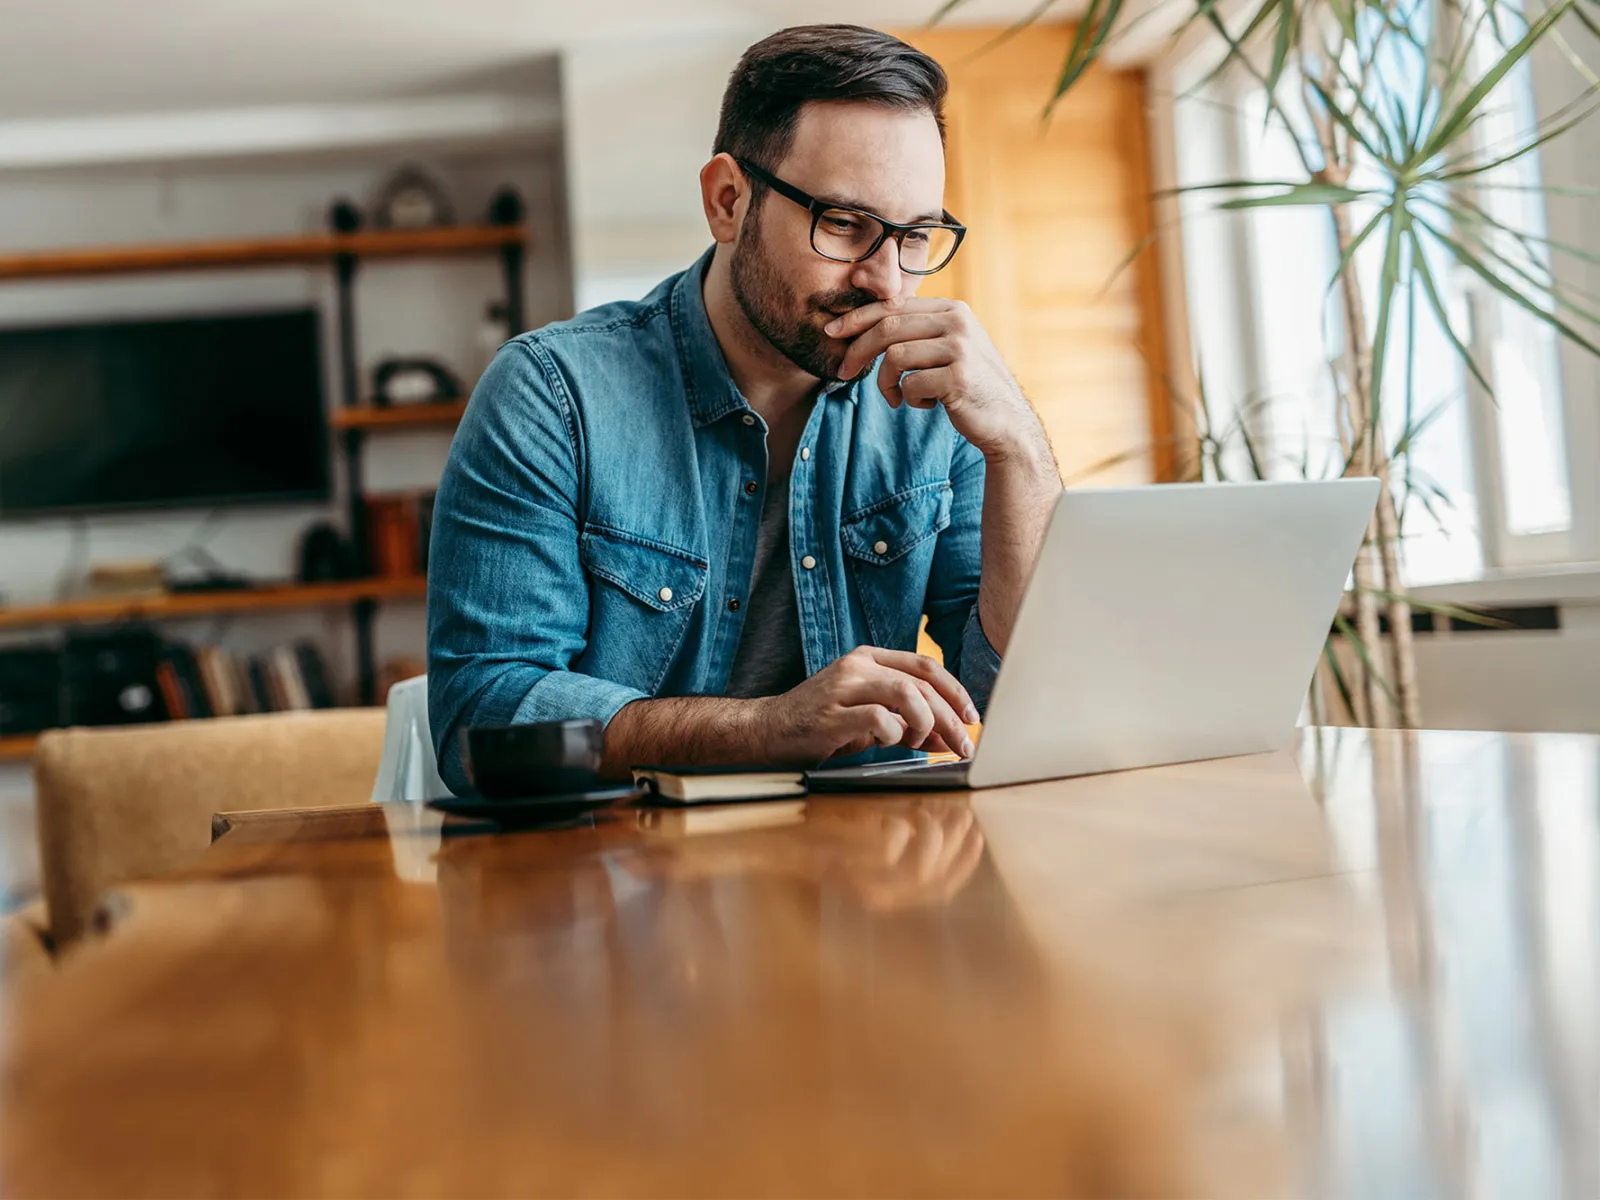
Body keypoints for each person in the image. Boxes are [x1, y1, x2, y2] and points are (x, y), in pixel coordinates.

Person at [428, 24, 1060, 793]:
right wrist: (771, 728)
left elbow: (1030, 697)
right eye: (844, 225)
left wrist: (1018, 448)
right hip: (619, 882)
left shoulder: (939, 405)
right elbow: (481, 722)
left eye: (916, 236)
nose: (888, 281)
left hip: (871, 882)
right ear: (728, 201)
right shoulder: (552, 394)